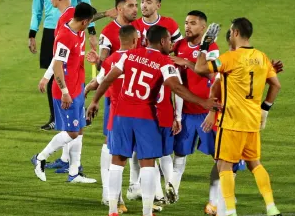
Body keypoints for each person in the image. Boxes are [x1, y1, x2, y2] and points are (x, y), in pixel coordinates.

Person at [86, 25, 220, 216]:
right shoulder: (165, 62)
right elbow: (177, 88)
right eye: (169, 40)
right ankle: (147, 212)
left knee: (117, 161)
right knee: (147, 163)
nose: (171, 44)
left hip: (121, 116)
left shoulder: (129, 55)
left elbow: (107, 79)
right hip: (145, 117)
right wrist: (203, 102)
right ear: (163, 41)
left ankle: (112, 210)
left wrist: (94, 101)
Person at [194, 19, 282, 216]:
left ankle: (230, 211)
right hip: (252, 122)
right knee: (255, 164)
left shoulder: (229, 58)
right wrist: (265, 109)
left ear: (234, 33)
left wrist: (205, 45)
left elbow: (199, 68)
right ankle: (271, 207)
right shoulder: (262, 57)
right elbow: (276, 84)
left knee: (223, 165)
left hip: (231, 121)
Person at [37, 0, 115, 174]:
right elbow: (61, 55)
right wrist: (105, 14)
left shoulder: (66, 20)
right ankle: (70, 164)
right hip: (74, 78)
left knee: (74, 127)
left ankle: (61, 162)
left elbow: (58, 56)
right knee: (75, 125)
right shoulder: (72, 15)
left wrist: (48, 76)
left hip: (72, 79)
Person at [29, 0, 102, 131]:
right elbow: (36, 11)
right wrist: (32, 33)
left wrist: (91, 31)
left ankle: (73, 111)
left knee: (68, 69)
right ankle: (56, 116)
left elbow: (88, 10)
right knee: (56, 71)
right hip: (50, 31)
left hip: (71, 32)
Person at [31, 3, 97, 184]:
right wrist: (64, 92)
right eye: (89, 22)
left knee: (80, 128)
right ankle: (40, 158)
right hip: (66, 91)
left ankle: (74, 172)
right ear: (84, 21)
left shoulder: (78, 28)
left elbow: (90, 17)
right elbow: (58, 64)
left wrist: (106, 14)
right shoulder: (65, 37)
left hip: (77, 87)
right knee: (72, 132)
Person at [165, 10, 220, 204]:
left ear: (203, 27)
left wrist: (188, 62)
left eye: (193, 23)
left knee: (219, 157)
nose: (188, 26)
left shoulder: (212, 48)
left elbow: (214, 76)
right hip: (186, 113)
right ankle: (172, 194)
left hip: (207, 113)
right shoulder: (178, 45)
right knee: (179, 154)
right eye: (186, 22)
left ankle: (215, 201)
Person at [84, 25, 139, 213]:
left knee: (117, 157)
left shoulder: (111, 61)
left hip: (116, 115)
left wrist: (87, 95)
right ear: (135, 40)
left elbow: (99, 81)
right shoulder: (140, 59)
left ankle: (115, 199)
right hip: (137, 116)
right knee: (140, 157)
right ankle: (120, 197)